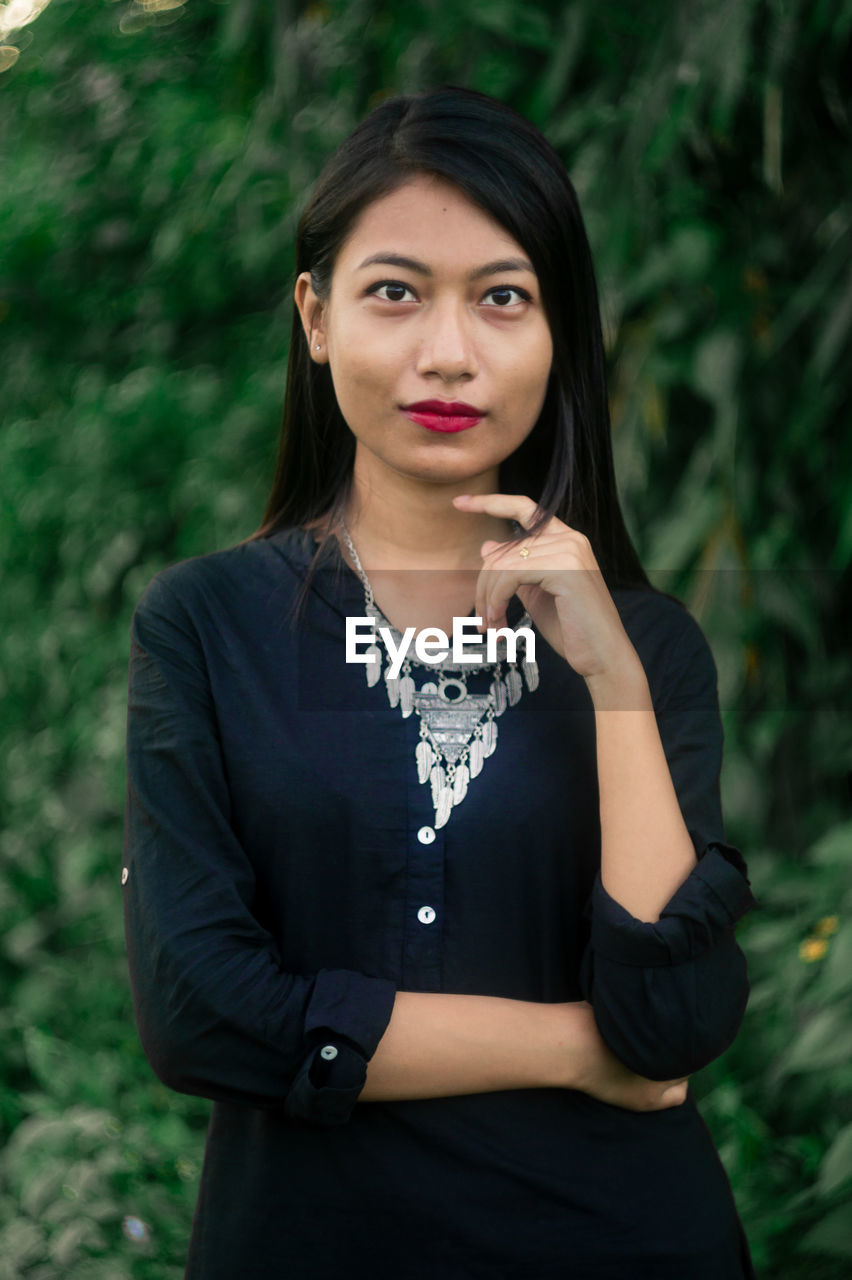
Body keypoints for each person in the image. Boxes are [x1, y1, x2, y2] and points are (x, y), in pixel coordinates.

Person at [122, 85, 758, 1278]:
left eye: (503, 297)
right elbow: (200, 1010)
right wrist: (576, 1049)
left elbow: (672, 1022)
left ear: (560, 327)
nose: (449, 353)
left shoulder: (650, 649)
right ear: (315, 317)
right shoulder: (205, 625)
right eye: (396, 292)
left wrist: (610, 673)